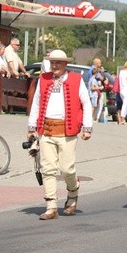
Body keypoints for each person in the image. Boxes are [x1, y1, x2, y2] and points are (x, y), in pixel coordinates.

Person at [27, 50, 93, 220]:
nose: (54, 65)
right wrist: (31, 126)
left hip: (67, 131)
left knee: (66, 169)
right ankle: (51, 206)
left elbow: (86, 103)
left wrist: (87, 127)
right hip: (46, 130)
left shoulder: (76, 79)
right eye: (52, 62)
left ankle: (73, 192)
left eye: (58, 62)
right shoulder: (44, 78)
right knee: (47, 169)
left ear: (65, 64)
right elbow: (36, 103)